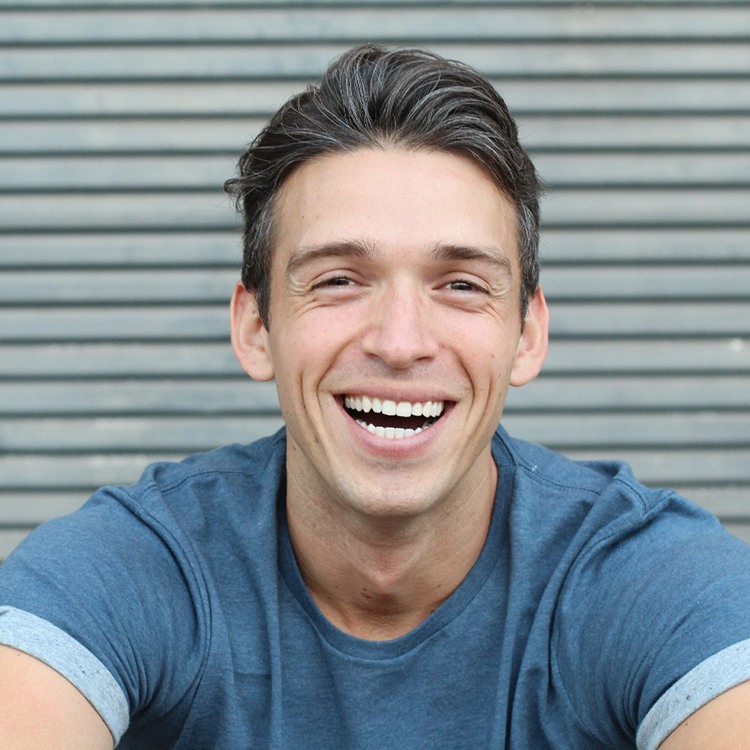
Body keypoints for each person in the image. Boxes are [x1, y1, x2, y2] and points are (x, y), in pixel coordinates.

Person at [0, 44, 749, 750]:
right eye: (338, 280)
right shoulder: (139, 565)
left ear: (526, 334)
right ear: (257, 326)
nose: (399, 342)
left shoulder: (643, 578)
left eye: (460, 285)